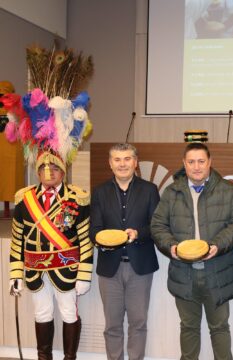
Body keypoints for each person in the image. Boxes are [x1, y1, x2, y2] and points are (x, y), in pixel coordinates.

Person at [151, 142, 233, 360]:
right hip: (184, 274)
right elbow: (157, 226)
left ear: (210, 163)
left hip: (218, 272)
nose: (196, 167)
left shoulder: (228, 189)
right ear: (184, 164)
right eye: (191, 162)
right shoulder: (171, 192)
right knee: (188, 327)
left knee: (220, 327)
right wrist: (171, 247)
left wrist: (218, 245)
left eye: (201, 161)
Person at [9, 151, 93, 360]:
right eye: (44, 169)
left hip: (66, 270)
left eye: (55, 168)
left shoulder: (77, 198)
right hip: (35, 270)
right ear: (37, 172)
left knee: (68, 314)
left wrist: (84, 274)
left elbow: (85, 239)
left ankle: (69, 358)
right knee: (42, 314)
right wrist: (16, 274)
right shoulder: (24, 199)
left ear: (63, 171)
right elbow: (17, 239)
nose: (49, 173)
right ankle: (43, 357)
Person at [90, 143, 160, 360]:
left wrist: (138, 233)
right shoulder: (100, 192)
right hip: (110, 269)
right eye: (117, 160)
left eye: (127, 159)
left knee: (138, 323)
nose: (122, 164)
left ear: (135, 162)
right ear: (110, 164)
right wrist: (106, 239)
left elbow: (157, 227)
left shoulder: (149, 190)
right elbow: (94, 230)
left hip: (140, 267)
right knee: (112, 325)